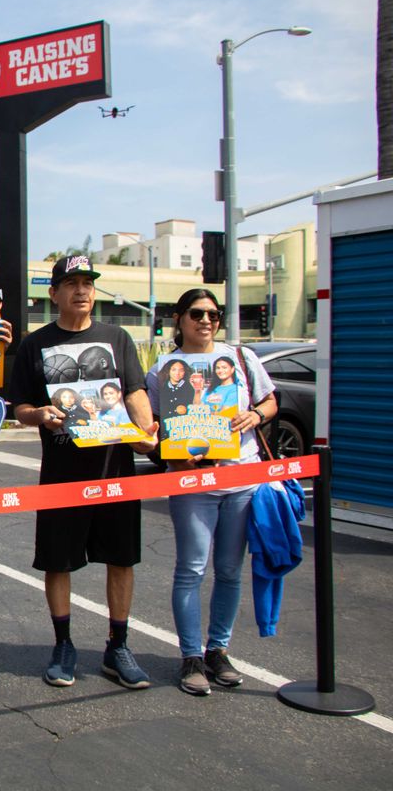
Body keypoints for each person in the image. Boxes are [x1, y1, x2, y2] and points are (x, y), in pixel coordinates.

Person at [5, 254, 158, 691]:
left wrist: (147, 435)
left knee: (121, 559)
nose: (82, 290)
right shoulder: (35, 345)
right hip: (62, 471)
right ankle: (63, 645)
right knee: (58, 561)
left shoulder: (117, 338)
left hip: (115, 470)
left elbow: (134, 392)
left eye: (87, 283)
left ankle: (118, 646)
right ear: (54, 293)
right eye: (72, 283)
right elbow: (20, 407)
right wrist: (39, 415)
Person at [146, 289, 276, 696]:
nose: (206, 321)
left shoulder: (241, 358)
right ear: (179, 319)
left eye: (213, 315)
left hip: (242, 479)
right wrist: (169, 451)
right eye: (197, 313)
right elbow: (153, 424)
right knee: (191, 569)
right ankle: (191, 656)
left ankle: (218, 650)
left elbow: (270, 402)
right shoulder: (163, 369)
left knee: (230, 570)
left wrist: (255, 415)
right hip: (191, 482)